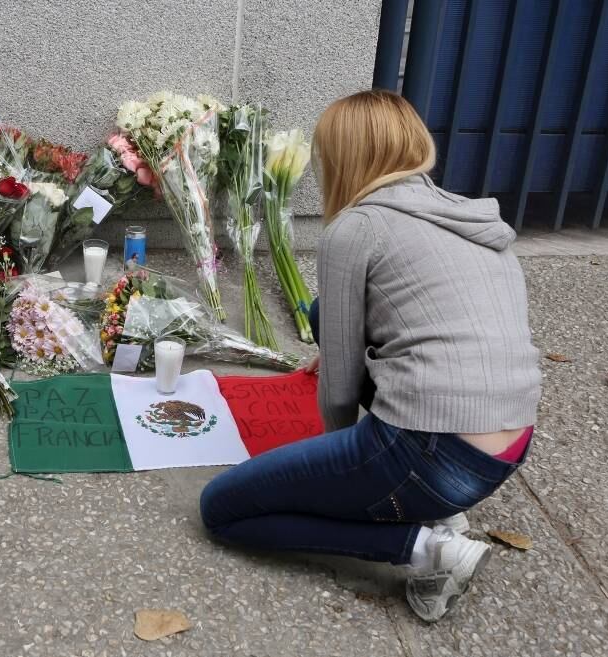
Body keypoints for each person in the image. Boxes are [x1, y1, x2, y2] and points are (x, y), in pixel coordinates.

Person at [199, 89, 541, 622]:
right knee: (323, 313)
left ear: (342, 158)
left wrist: (338, 467)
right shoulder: (468, 218)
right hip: (507, 447)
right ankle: (443, 512)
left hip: (433, 455)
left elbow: (338, 391)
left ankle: (429, 549)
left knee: (221, 508)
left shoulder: (356, 228)